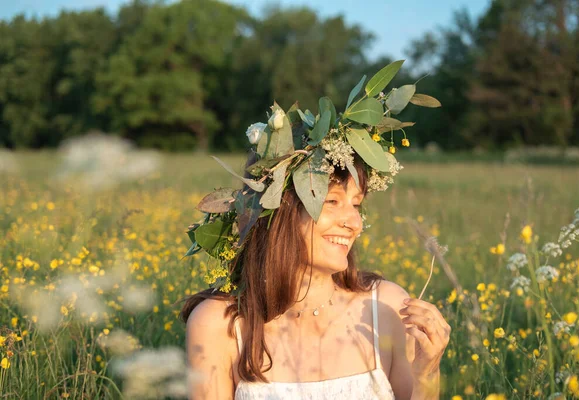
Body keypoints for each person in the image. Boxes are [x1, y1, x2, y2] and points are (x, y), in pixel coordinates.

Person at [180, 61, 450, 399]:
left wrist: (427, 373)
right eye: (332, 201)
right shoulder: (220, 325)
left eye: (356, 204)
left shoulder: (388, 308)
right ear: (280, 210)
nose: (354, 222)